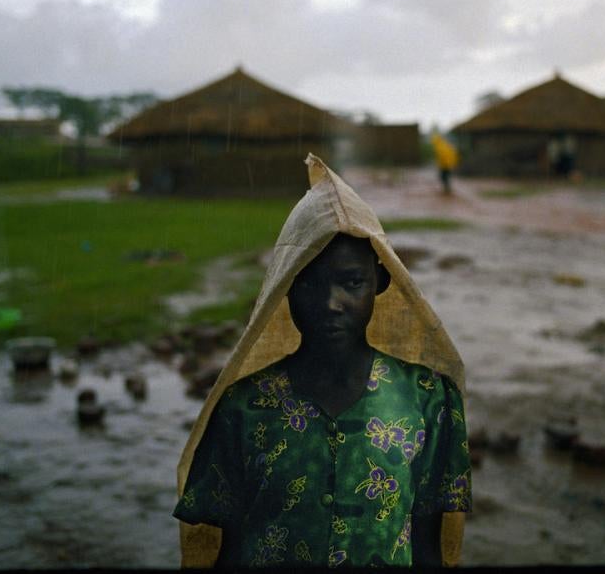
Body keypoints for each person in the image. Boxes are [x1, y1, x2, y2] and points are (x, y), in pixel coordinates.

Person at [173, 154, 471, 568]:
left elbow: (426, 546)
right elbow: (231, 549)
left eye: (352, 283)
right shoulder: (243, 408)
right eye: (310, 283)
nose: (332, 304)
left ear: (380, 284)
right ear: (285, 288)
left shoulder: (428, 402)